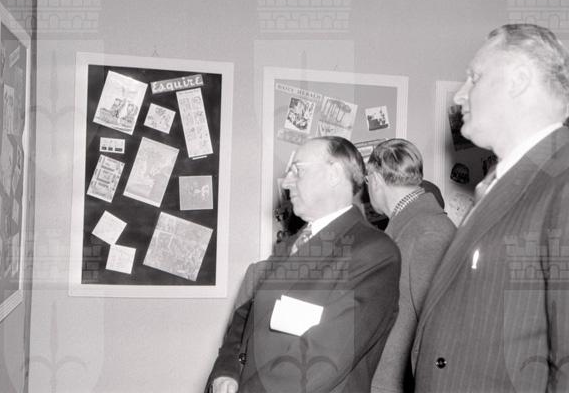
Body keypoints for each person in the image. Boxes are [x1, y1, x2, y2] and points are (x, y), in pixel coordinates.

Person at [412, 23, 569, 392]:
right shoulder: (509, 179)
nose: (460, 95)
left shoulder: (562, 179)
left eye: (475, 77)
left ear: (519, 79)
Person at [205, 136, 400, 393]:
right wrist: (226, 370)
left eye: (298, 170)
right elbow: (248, 315)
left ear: (334, 174)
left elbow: (321, 361)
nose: (286, 183)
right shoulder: (292, 245)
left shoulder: (373, 252)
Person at [365, 138, 456, 393]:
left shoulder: (429, 232)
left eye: (367, 181)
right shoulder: (412, 227)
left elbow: (439, 333)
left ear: (375, 179)